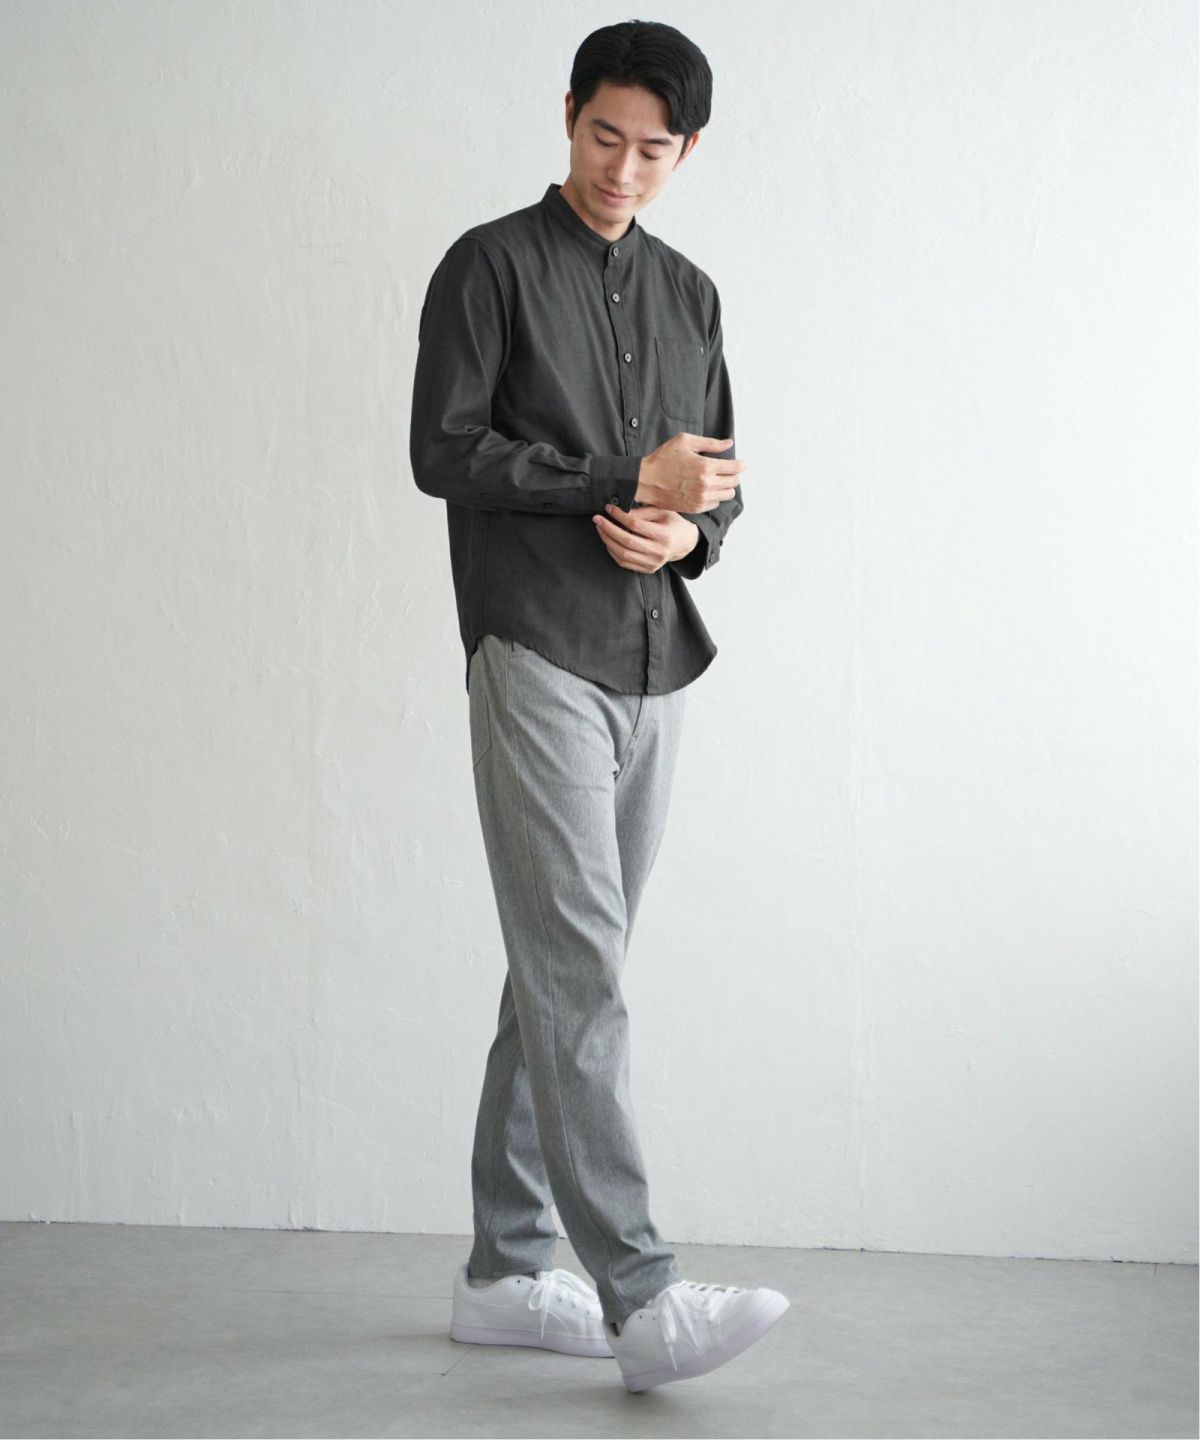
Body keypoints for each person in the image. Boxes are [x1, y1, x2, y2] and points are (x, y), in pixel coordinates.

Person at [409, 19, 788, 1392]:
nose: (622, 169)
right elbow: (442, 449)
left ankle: (507, 1271)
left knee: (562, 968)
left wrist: (692, 534)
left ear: (688, 152)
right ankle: (642, 1295)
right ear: (567, 114)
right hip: (536, 646)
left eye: (653, 150)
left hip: (653, 659)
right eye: (602, 136)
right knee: (580, 974)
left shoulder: (692, 295)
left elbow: (717, 480)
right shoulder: (490, 265)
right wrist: (618, 481)